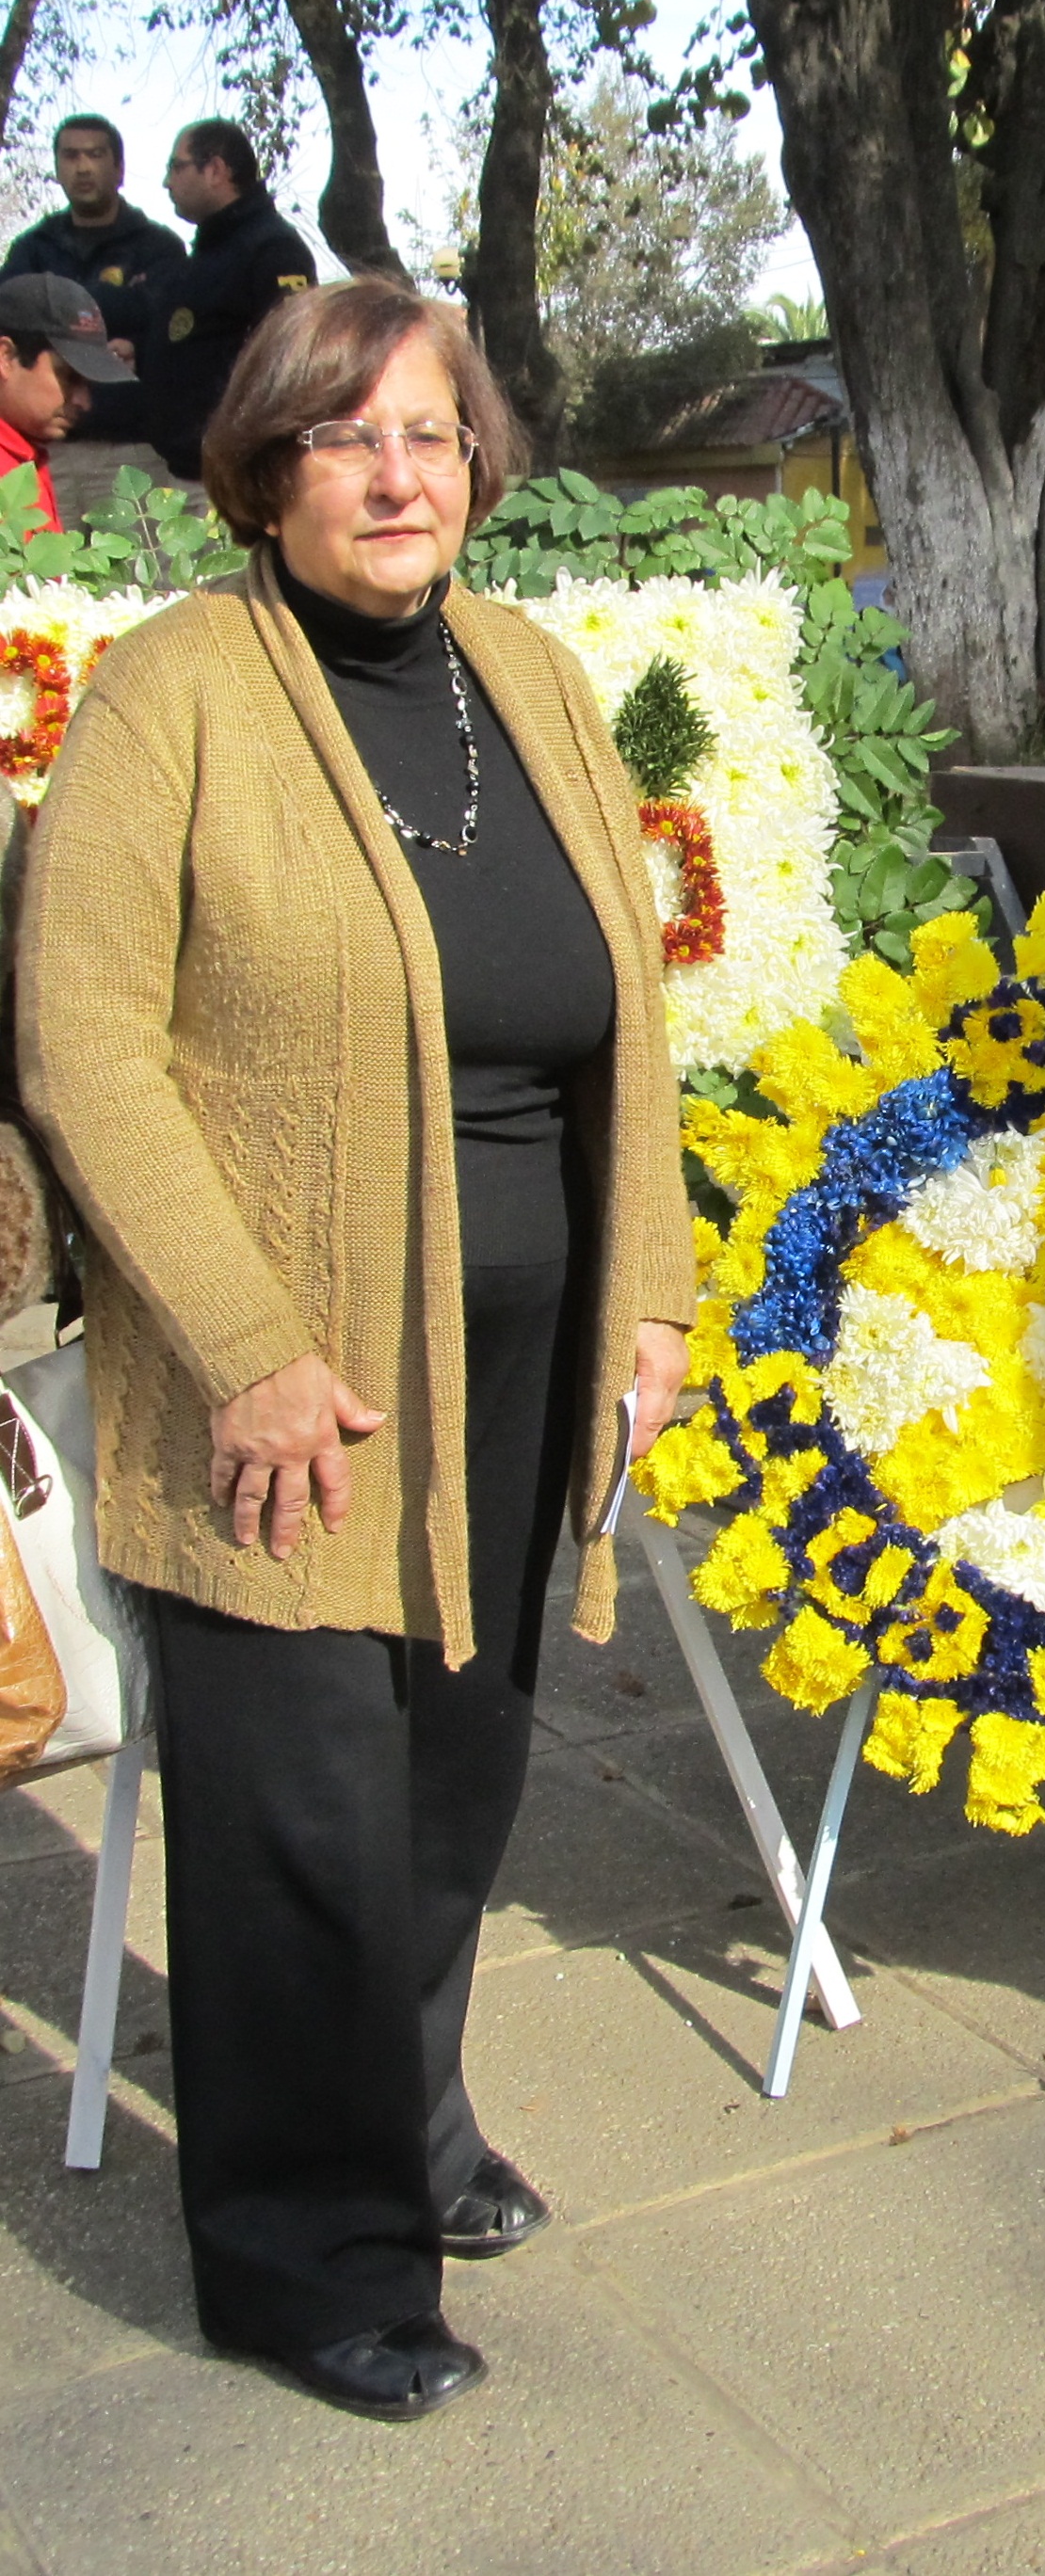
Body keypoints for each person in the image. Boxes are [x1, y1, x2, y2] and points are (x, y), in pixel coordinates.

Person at [18, 277, 695, 2422]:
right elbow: (82, 1036)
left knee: (455, 1766)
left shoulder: (532, 674)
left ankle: (408, 2120)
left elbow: (627, 1015)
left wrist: (651, 1290)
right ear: (265, 469)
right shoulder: (177, 690)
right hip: (286, 1368)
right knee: (303, 1798)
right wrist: (245, 1342)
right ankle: (304, 2256)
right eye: (345, 436)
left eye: (429, 432)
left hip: (521, 1341)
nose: (398, 476)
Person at [1, 115, 185, 516]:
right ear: (56, 168)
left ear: (119, 169)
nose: (82, 167)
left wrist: (59, 310)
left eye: (95, 155)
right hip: (46, 451)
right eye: (71, 156)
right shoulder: (33, 247)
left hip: (131, 450)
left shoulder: (159, 247)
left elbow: (170, 332)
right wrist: (117, 307)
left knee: (138, 558)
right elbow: (12, 322)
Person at [132, 119, 319, 497]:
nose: (167, 182)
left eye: (176, 167)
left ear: (215, 169)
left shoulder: (272, 249)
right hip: (187, 469)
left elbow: (291, 362)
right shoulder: (210, 252)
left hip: (232, 476)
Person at [0, 276, 137, 536]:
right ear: (6, 357)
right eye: (69, 377)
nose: (84, 402)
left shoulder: (24, 453)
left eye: (87, 383)